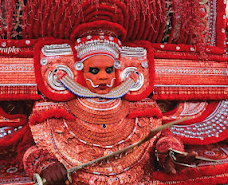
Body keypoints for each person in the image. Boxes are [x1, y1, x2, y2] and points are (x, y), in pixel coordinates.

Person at [23, 23, 198, 184]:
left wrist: (170, 154)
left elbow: (162, 136)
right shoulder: (52, 110)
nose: (103, 77)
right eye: (94, 71)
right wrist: (45, 165)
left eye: (108, 70)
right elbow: (26, 146)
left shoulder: (141, 107)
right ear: (80, 72)